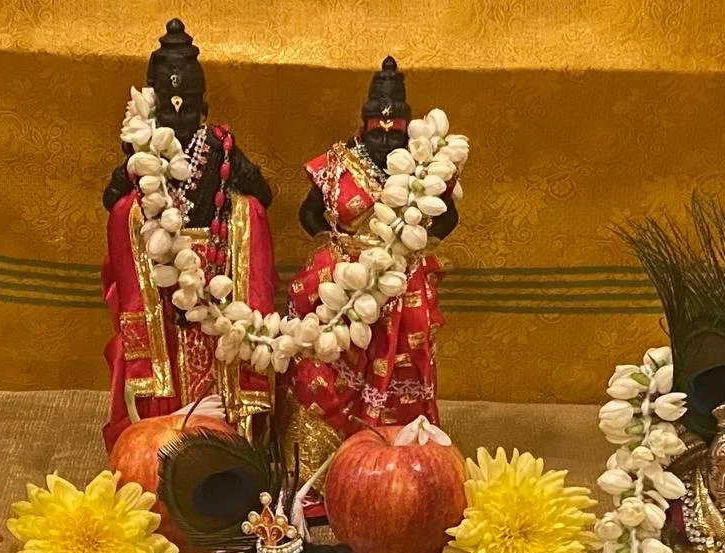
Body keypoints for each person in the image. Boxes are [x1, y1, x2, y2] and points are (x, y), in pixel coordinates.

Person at [279, 59, 459, 484]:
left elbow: (448, 219)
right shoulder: (335, 165)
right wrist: (342, 247)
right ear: (363, 126)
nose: (383, 139)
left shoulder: (427, 170)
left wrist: (414, 242)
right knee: (326, 366)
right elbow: (309, 217)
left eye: (393, 133)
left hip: (402, 285)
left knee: (401, 370)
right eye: (376, 132)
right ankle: (322, 475)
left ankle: (393, 474)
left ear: (408, 130)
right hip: (339, 283)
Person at [101, 19, 277, 450]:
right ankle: (159, 426)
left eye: (187, 107)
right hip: (161, 281)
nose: (178, 117)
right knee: (127, 212)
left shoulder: (220, 148)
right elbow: (112, 199)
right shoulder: (143, 154)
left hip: (218, 276)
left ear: (204, 106)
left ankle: (234, 429)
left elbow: (262, 196)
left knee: (247, 211)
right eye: (168, 107)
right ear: (151, 107)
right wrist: (136, 172)